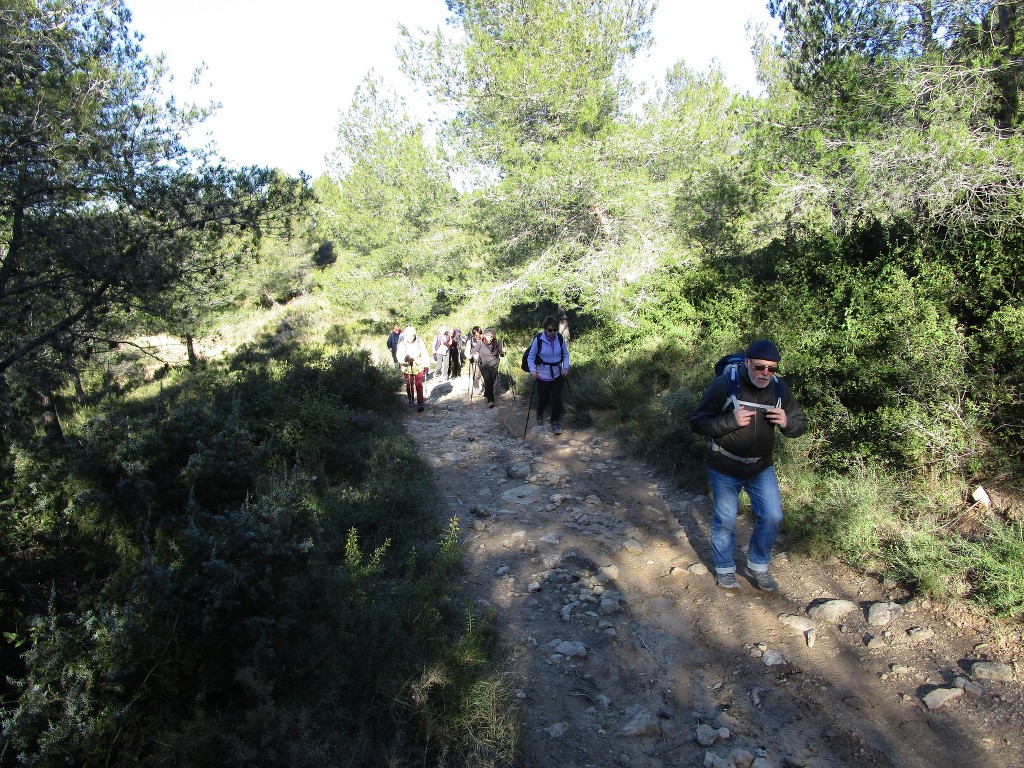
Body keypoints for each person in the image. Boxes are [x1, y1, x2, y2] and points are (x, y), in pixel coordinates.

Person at [690, 339, 807, 591]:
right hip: (724, 466)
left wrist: (787, 422)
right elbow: (698, 422)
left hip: (760, 467)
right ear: (747, 362)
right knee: (726, 520)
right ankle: (724, 569)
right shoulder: (724, 385)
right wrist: (731, 421)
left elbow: (800, 423)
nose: (765, 373)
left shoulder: (779, 389)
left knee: (773, 516)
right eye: (759, 367)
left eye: (771, 368)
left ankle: (758, 566)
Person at [528, 315, 570, 434]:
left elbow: (565, 355)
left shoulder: (560, 339)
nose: (552, 332)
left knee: (557, 399)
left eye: (555, 330)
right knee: (543, 399)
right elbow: (531, 357)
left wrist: (566, 367)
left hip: (558, 374)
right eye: (550, 330)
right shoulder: (538, 340)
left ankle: (555, 422)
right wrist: (533, 371)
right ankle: (539, 412)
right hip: (542, 375)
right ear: (545, 329)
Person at [397, 326, 431, 412]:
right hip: (407, 367)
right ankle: (411, 400)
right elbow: (399, 356)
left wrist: (426, 365)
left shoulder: (419, 342)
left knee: (419, 384)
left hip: (418, 366)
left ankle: (420, 401)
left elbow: (424, 354)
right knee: (409, 384)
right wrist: (405, 359)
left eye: (412, 335)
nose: (411, 337)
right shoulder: (402, 343)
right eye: (409, 335)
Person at [471, 327, 506, 408]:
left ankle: (487, 393)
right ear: (485, 336)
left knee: (492, 381)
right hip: (484, 364)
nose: (490, 338)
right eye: (488, 336)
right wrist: (475, 355)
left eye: (491, 336)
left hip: (494, 364)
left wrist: (503, 352)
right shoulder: (480, 342)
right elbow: (473, 351)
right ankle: (491, 400)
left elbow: (501, 354)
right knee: (487, 381)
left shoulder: (497, 342)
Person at [465, 326, 483, 393]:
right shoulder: (470, 341)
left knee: (484, 374)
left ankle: (485, 386)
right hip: (474, 360)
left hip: (484, 360)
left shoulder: (483, 340)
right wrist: (471, 356)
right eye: (476, 335)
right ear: (473, 334)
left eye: (479, 335)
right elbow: (467, 352)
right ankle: (476, 387)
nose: (478, 337)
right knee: (476, 374)